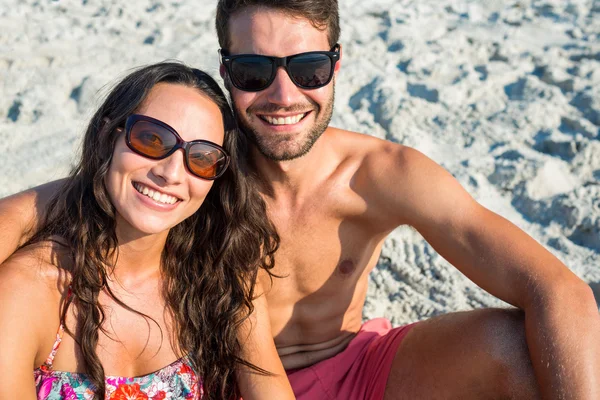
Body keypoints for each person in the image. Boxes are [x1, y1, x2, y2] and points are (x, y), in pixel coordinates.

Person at [1, 1, 599, 399]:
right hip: (223, 381)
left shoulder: (382, 174)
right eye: (256, 71)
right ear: (227, 71)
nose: (283, 95)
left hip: (356, 369)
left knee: (514, 346)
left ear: (336, 65)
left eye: (309, 68)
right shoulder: (196, 165)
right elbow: (90, 191)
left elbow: (555, 288)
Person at [0, 62, 295, 400]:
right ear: (108, 136)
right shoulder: (28, 290)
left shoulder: (220, 275)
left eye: (201, 158)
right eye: (151, 139)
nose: (171, 173)